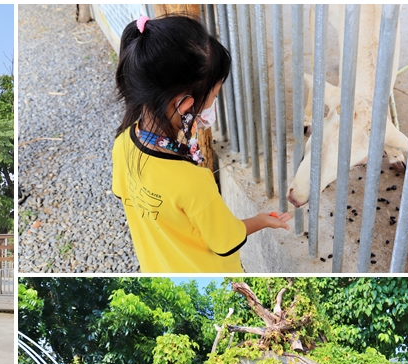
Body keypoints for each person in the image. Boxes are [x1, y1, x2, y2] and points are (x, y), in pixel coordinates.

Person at [111, 15, 291, 272]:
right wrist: (262, 220)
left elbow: (127, 196)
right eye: (213, 96)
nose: (211, 105)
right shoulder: (193, 182)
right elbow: (225, 241)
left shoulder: (123, 144)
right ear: (185, 105)